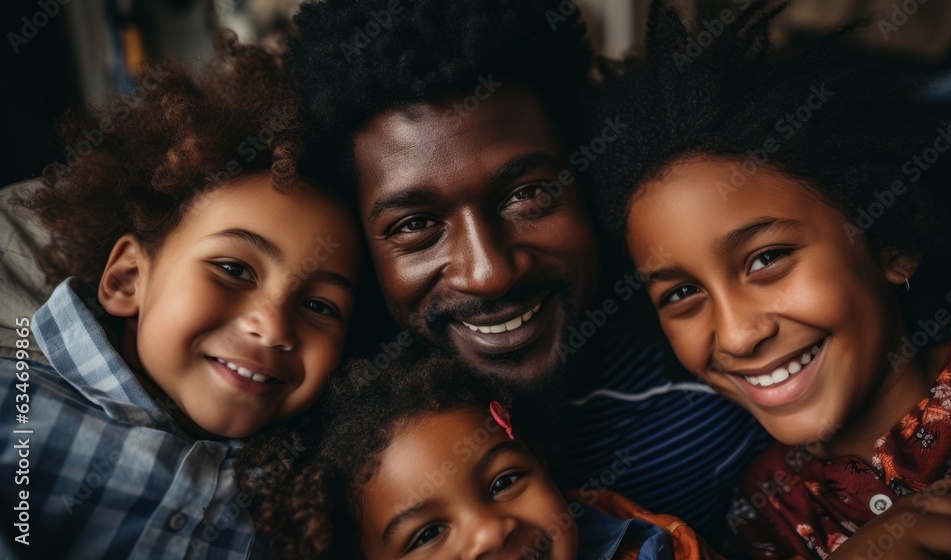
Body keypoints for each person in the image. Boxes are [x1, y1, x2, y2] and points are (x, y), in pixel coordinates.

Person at [284, 0, 772, 544]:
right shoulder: (331, 451)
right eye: (416, 225)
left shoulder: (718, 335)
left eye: (528, 194)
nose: (489, 272)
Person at [587, 2, 951, 559]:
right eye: (682, 294)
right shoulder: (763, 514)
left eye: (766, 259)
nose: (736, 335)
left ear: (890, 245)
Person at [0, 33, 362, 558]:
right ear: (126, 279)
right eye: (234, 269)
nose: (275, 327)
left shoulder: (306, 501)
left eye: (320, 307)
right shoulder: (19, 404)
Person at [239, 352, 726, 560]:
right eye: (427, 534)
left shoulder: (652, 545)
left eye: (503, 483)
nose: (492, 531)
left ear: (541, 464)